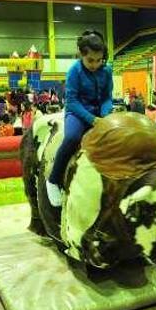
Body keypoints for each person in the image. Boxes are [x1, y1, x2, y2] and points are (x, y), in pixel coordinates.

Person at [46, 30, 113, 207]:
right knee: (72, 138)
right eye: (90, 60)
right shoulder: (74, 71)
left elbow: (107, 97)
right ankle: (52, 181)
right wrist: (92, 120)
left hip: (99, 114)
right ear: (81, 54)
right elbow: (72, 102)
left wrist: (106, 113)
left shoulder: (107, 70)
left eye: (99, 60)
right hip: (76, 112)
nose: (95, 64)